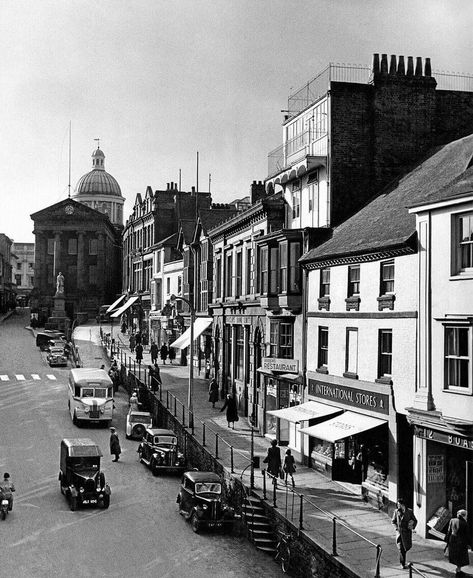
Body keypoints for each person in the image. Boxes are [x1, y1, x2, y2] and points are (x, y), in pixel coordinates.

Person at [391, 498, 417, 569]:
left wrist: (412, 526)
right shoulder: (396, 512)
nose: (398, 506)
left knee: (407, 547)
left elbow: (415, 520)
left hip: (407, 533)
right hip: (400, 533)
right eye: (397, 505)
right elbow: (393, 521)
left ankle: (403, 560)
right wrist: (396, 528)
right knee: (401, 549)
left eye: (399, 505)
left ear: (403, 505)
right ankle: (402, 564)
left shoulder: (410, 511)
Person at [445, 509, 471, 576]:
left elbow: (448, 532)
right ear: (464, 515)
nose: (467, 517)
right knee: (461, 558)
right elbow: (467, 535)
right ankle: (458, 571)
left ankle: (458, 570)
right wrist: (470, 544)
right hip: (461, 543)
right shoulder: (465, 523)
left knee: (455, 556)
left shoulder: (452, 520)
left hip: (452, 540)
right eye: (466, 515)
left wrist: (447, 541)